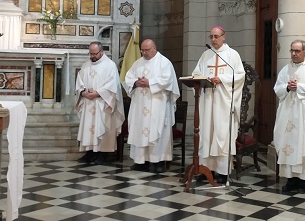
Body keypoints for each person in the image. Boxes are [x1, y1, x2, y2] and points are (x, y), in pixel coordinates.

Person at [192, 26, 245, 184]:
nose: (213, 40)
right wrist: (204, 79)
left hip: (223, 101)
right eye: (211, 37)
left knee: (222, 134)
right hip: (208, 100)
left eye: (216, 36)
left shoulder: (232, 55)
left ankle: (222, 171)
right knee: (207, 133)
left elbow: (240, 75)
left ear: (224, 37)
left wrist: (222, 79)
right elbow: (196, 73)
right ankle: (205, 169)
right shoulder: (205, 55)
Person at [273, 39, 305, 193]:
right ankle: (291, 180)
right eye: (292, 51)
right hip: (288, 113)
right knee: (288, 145)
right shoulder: (285, 69)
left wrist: (300, 87)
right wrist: (287, 88)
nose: (294, 54)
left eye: (297, 51)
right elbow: (278, 88)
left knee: (303, 145)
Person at [123, 39, 180, 173]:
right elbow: (128, 78)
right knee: (139, 130)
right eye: (142, 50)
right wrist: (136, 82)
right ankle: (140, 161)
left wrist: (150, 82)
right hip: (140, 103)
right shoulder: (138, 63)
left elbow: (167, 80)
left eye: (146, 50)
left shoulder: (164, 62)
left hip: (157, 103)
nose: (143, 52)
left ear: (154, 48)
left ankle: (158, 161)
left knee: (157, 130)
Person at [75, 41, 125, 165]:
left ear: (101, 52)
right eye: (90, 53)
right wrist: (83, 93)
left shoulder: (110, 65)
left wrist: (97, 93)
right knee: (89, 128)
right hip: (88, 103)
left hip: (103, 103)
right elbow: (79, 82)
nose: (92, 56)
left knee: (102, 127)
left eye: (95, 54)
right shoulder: (86, 65)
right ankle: (90, 152)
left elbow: (113, 85)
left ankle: (102, 154)